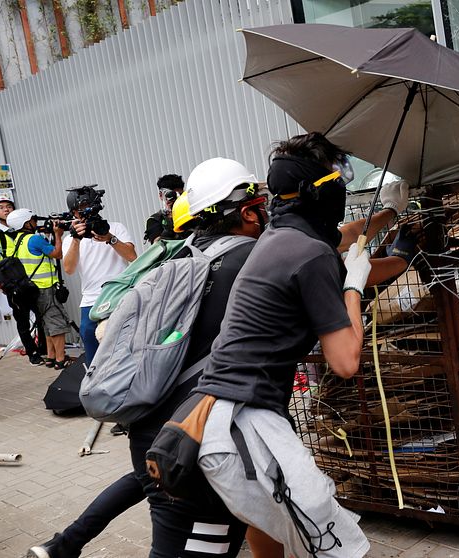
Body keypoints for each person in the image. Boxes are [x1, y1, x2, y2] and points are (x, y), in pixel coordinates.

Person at [28, 159, 281, 558]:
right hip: (191, 432)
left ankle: (64, 544)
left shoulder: (179, 258)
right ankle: (65, 544)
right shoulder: (253, 260)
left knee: (145, 482)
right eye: (262, 205)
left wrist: (107, 237)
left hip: (156, 415)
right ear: (248, 212)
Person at [189, 132, 409, 558]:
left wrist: (390, 213)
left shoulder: (281, 234)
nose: (341, 186)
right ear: (318, 192)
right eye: (336, 179)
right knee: (331, 538)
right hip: (244, 422)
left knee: (267, 521)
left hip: (217, 414)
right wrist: (354, 286)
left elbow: (345, 236)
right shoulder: (310, 254)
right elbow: (345, 361)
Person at [60, 186, 137, 366]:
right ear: (73, 213)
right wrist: (76, 239)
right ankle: (95, 376)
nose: (86, 212)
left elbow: (132, 256)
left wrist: (110, 238)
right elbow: (69, 269)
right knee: (89, 339)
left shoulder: (116, 227)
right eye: (81, 209)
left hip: (120, 293)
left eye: (89, 207)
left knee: (127, 339)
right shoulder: (69, 239)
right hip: (91, 299)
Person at [4, 209, 70, 368]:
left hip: (31, 289)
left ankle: (51, 357)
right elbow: (57, 254)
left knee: (46, 323)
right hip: (45, 287)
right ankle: (60, 359)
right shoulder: (34, 239)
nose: (36, 222)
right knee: (56, 323)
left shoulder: (18, 240)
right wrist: (58, 235)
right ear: (26, 223)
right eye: (33, 219)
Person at [0, 191, 47, 365]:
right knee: (22, 318)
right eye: (1, 207)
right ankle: (32, 353)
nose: (6, 210)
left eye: (9, 206)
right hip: (12, 281)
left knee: (42, 314)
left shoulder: (24, 229)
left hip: (32, 278)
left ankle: (44, 348)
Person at [144, 173, 191, 244]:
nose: (177, 198)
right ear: (161, 195)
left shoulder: (191, 213)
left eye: (180, 194)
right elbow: (158, 245)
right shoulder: (155, 220)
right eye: (172, 195)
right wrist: (171, 220)